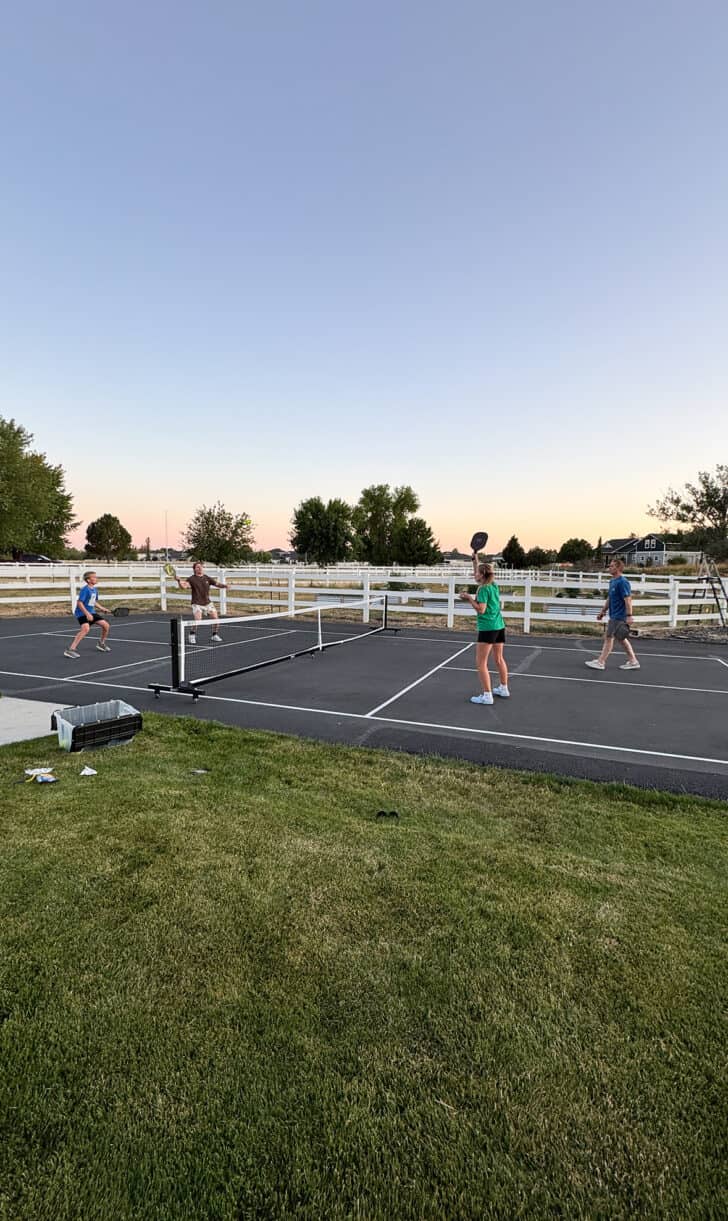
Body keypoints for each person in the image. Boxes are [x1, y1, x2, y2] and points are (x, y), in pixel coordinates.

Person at [459, 552, 510, 705]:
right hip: (499, 626)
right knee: (499, 659)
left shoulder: (482, 590)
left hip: (487, 628)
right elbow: (480, 570)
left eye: (477, 573)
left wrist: (468, 598)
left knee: (481, 663)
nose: (474, 574)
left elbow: (481, 609)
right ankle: (504, 688)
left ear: (482, 575)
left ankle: (487, 696)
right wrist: (476, 561)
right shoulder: (493, 585)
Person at [585, 557, 640, 670]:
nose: (609, 568)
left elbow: (628, 599)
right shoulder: (612, 581)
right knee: (621, 639)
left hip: (619, 616)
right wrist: (603, 611)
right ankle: (633, 661)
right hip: (613, 614)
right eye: (609, 566)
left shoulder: (622, 582)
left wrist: (629, 615)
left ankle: (601, 662)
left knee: (609, 637)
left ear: (618, 568)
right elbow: (610, 598)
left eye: (612, 566)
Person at [175, 561, 227, 642]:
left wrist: (225, 586)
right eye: (197, 567)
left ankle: (214, 635)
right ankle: (192, 634)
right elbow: (184, 587)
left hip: (208, 603)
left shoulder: (207, 578)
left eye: (201, 567)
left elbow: (217, 584)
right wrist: (178, 581)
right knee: (198, 620)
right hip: (196, 603)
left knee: (216, 619)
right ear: (194, 569)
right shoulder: (191, 579)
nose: (200, 568)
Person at [64, 571, 111, 658]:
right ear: (88, 580)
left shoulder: (95, 590)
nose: (96, 578)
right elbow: (79, 603)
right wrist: (87, 614)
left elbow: (93, 602)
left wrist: (102, 608)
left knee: (106, 626)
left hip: (91, 612)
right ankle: (70, 650)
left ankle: (101, 643)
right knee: (85, 629)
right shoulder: (85, 590)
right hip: (81, 612)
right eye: (94, 577)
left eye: (96, 576)